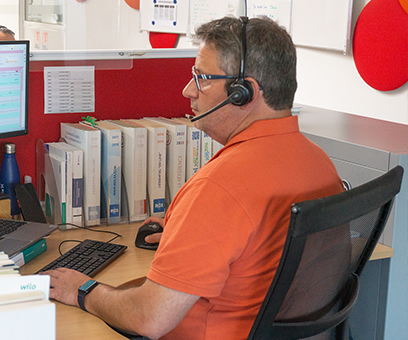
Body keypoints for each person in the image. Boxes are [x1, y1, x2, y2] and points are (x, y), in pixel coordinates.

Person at [46, 16, 344, 340]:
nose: (188, 90)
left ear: (244, 92)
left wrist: (83, 290)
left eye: (201, 77)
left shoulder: (220, 187)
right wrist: (188, 238)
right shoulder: (319, 163)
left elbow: (150, 318)